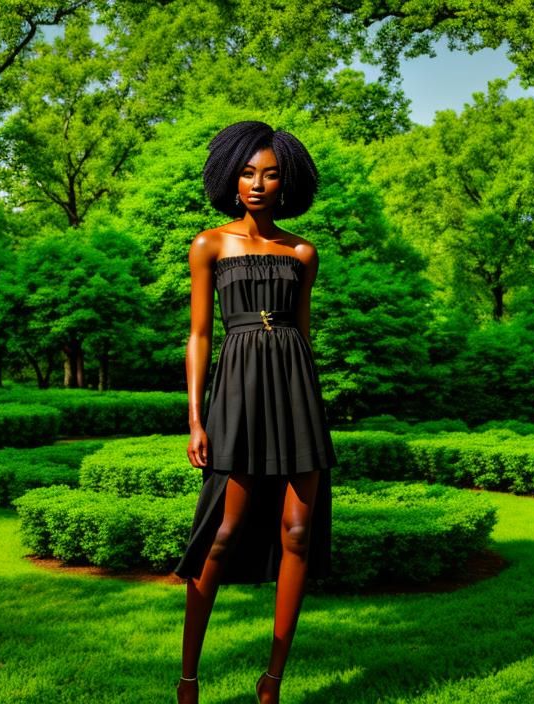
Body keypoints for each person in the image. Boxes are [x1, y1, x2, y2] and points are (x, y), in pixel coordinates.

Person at [174, 120, 338, 704]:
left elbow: (303, 334)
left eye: (269, 173)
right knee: (221, 532)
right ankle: (188, 679)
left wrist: (308, 404)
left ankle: (272, 683)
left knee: (297, 530)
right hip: (238, 394)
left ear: (287, 180)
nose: (258, 183)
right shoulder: (209, 245)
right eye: (247, 173)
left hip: (295, 392)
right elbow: (198, 337)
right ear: (231, 178)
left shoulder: (302, 252)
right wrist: (196, 418)